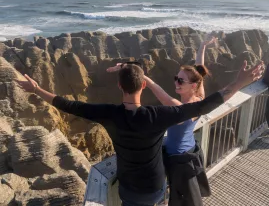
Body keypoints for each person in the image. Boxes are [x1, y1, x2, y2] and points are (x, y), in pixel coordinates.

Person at [17, 60, 263, 206]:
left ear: (118, 86)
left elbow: (67, 104)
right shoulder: (157, 115)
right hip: (156, 185)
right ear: (143, 85)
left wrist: (37, 89)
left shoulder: (108, 113)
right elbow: (202, 106)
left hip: (130, 189)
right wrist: (239, 83)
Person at [142, 36, 217, 206]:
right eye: (176, 78)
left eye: (181, 80)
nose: (176, 82)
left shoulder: (181, 108)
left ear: (192, 85)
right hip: (189, 149)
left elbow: (161, 94)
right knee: (184, 195)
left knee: (181, 198)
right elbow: (199, 70)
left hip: (179, 160)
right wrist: (202, 46)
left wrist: (144, 78)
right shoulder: (199, 97)